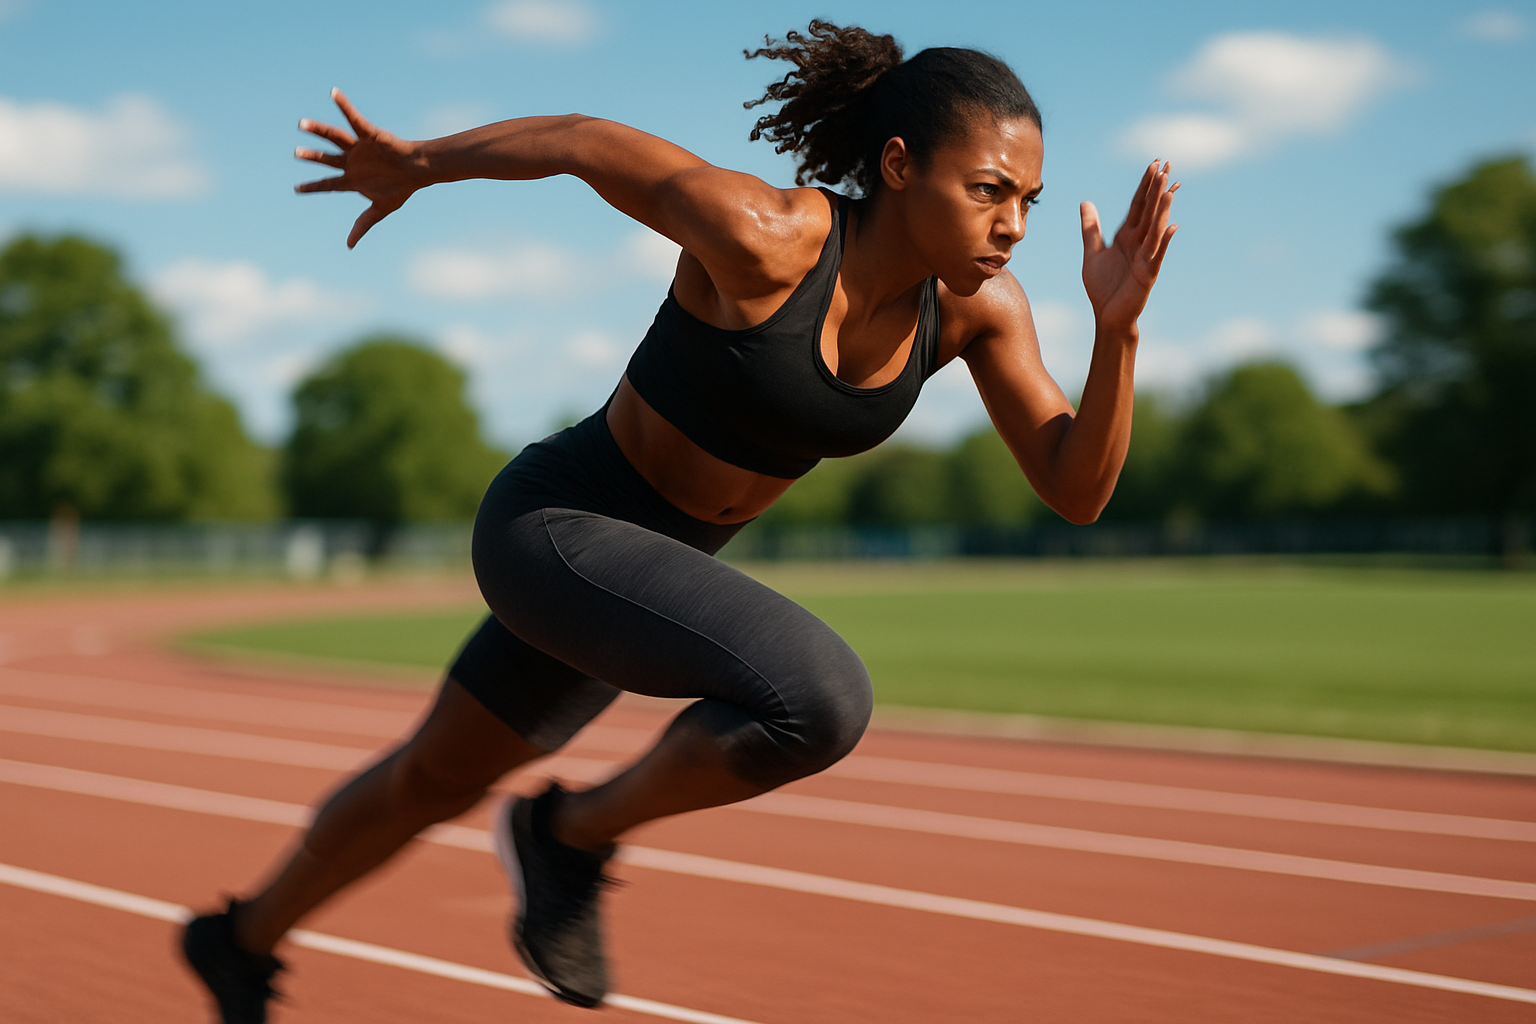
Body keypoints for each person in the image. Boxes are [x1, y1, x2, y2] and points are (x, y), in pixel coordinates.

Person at [180, 20, 1177, 1022]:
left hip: (643, 576)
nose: (1012, 225)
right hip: (557, 526)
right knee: (818, 700)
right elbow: (582, 139)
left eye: (1029, 202)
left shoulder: (978, 312)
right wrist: (418, 165)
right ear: (901, 164)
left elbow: (1075, 487)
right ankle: (569, 834)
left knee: (435, 776)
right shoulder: (766, 235)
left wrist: (1118, 333)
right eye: (989, 191)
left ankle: (239, 937)